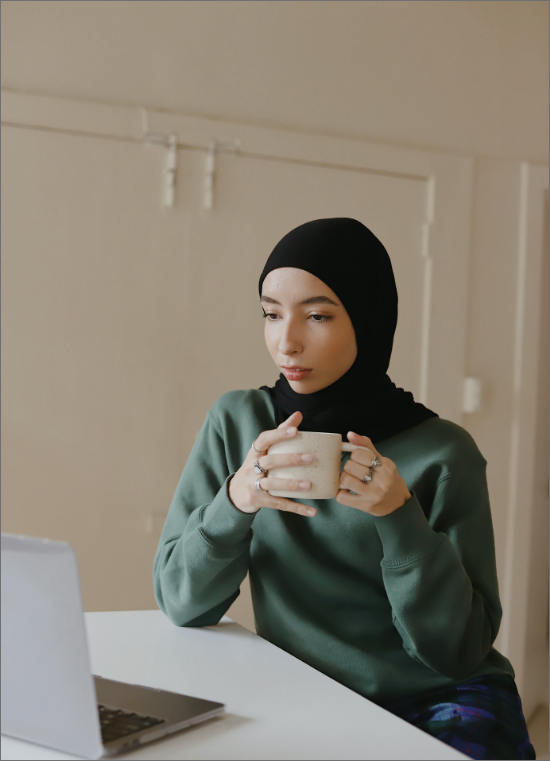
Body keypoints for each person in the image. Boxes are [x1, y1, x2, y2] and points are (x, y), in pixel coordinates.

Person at [154, 218, 535, 760]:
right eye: (270, 314)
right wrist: (235, 502)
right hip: (306, 697)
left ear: (368, 320)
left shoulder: (443, 452)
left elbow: (459, 652)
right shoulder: (238, 423)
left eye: (317, 315)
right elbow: (180, 603)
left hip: (438, 699)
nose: (286, 341)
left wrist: (399, 518)